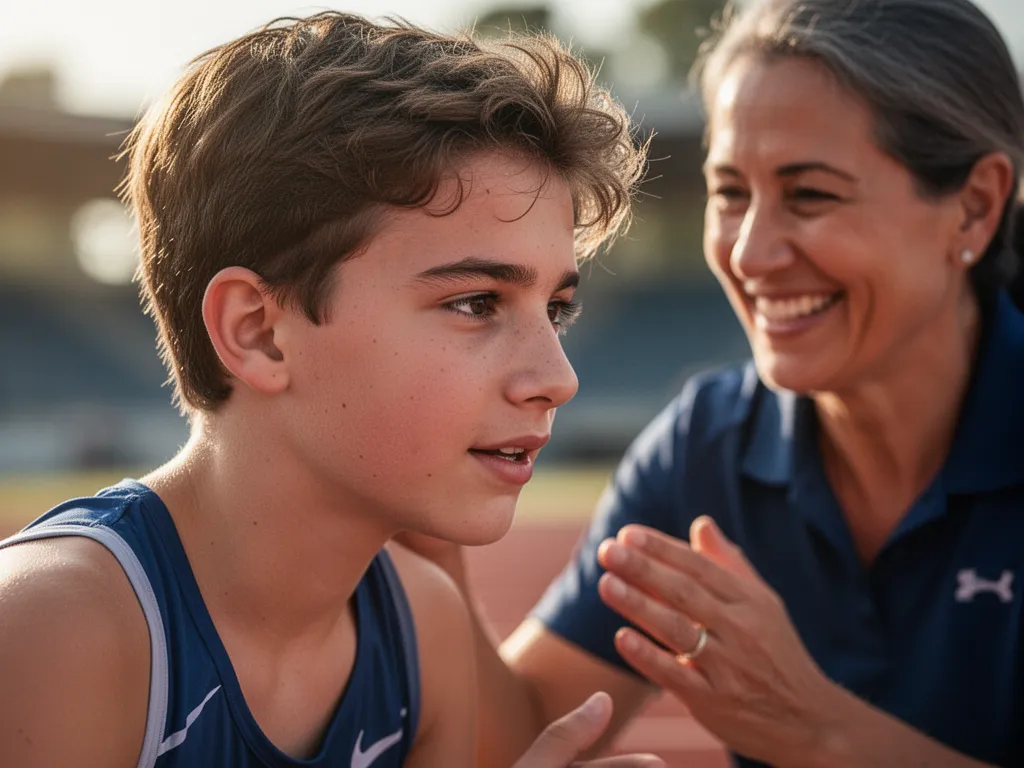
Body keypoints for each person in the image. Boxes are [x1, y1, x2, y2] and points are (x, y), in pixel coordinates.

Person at [0, 12, 663, 768]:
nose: (558, 379)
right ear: (258, 331)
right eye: (476, 302)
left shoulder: (426, 630)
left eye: (557, 310)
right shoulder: (52, 631)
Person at [399, 0, 1024, 765]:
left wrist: (820, 733)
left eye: (811, 195)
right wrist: (427, 538)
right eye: (729, 194)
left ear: (975, 207)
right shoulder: (708, 448)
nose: (751, 253)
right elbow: (528, 731)